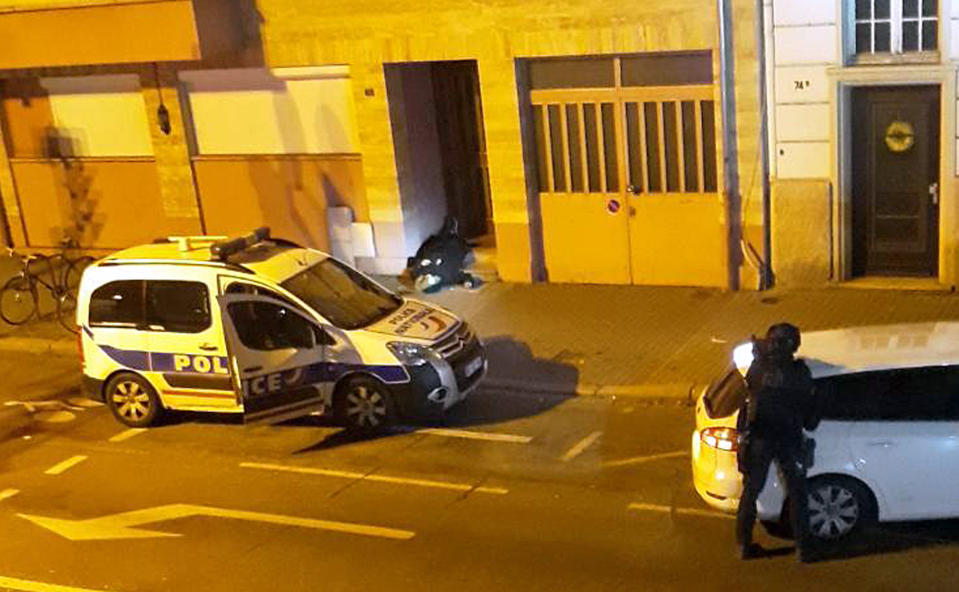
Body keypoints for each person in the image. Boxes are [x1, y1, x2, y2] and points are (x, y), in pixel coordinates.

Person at [736, 322, 819, 562]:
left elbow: (752, 390)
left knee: (750, 493)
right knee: (797, 494)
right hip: (788, 438)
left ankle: (743, 545)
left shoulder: (757, 367)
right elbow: (809, 415)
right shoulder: (799, 372)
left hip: (759, 438)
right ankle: (804, 548)